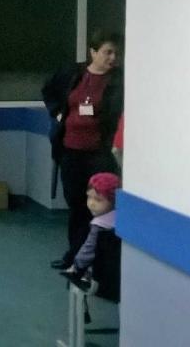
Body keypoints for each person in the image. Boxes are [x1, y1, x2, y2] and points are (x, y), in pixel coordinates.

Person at [42, 31, 124, 270]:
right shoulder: (73, 74)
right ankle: (74, 256)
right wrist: (58, 113)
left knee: (102, 206)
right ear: (93, 52)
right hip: (70, 152)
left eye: (116, 53)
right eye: (107, 52)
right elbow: (49, 90)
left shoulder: (118, 81)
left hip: (99, 154)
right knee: (77, 205)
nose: (112, 58)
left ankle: (97, 261)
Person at [60, 172, 123, 301]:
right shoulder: (122, 219)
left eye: (98, 200)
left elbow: (88, 250)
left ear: (114, 200)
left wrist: (76, 265)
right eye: (89, 197)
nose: (91, 203)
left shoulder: (98, 225)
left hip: (100, 278)